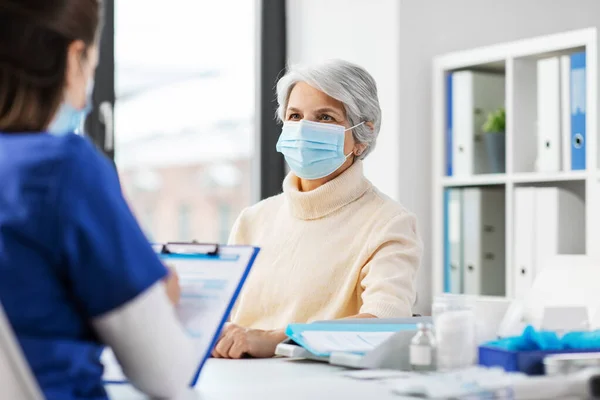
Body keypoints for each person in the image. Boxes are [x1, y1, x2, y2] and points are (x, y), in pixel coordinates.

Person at [0, 1, 197, 399]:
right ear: (74, 59)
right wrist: (160, 296)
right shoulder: (60, 169)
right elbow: (167, 374)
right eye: (92, 64)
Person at [212, 60, 423, 359]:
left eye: (325, 117)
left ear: (362, 136)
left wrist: (275, 340)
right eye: (295, 116)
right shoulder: (253, 220)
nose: (304, 129)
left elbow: (385, 322)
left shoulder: (389, 223)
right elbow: (222, 319)